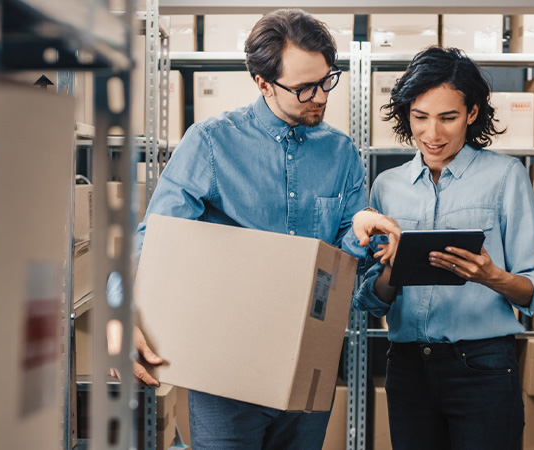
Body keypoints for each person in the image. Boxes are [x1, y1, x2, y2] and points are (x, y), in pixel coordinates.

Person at [118, 9, 402, 450]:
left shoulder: (342, 153)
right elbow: (153, 240)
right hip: (225, 367)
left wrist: (360, 231)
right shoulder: (211, 143)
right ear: (262, 83)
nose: (320, 96)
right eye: (304, 87)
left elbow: (342, 259)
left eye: (327, 80)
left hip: (310, 361)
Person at [352, 46, 534, 450]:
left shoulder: (506, 176)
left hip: (483, 366)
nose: (432, 134)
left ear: (472, 113)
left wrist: (492, 277)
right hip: (407, 367)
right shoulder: (386, 187)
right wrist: (392, 268)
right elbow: (372, 302)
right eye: (420, 118)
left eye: (448, 118)